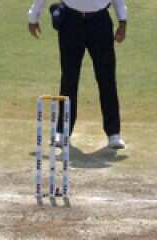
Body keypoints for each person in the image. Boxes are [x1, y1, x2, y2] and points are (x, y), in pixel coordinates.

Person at [27, 0, 127, 150]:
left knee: (107, 78)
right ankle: (62, 132)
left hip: (100, 22)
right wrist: (33, 17)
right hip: (70, 21)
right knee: (69, 78)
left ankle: (113, 133)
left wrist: (122, 22)